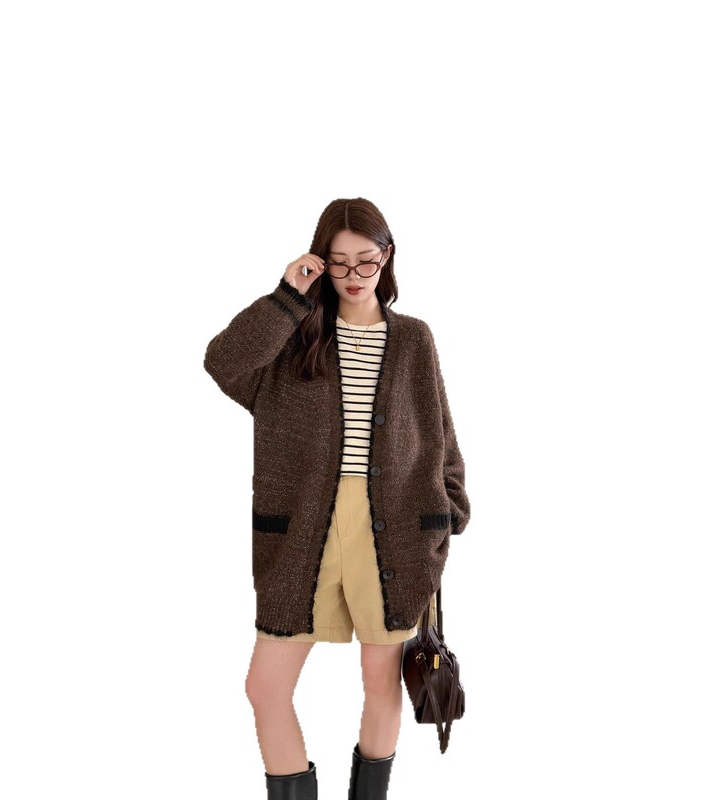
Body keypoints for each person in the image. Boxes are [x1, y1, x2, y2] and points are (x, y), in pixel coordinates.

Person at [203, 197, 471, 800]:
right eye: (339, 262)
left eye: (366, 261)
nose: (354, 276)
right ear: (320, 262)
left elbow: (440, 431)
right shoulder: (293, 337)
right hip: (305, 526)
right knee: (265, 686)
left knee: (381, 683)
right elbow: (222, 362)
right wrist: (287, 298)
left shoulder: (413, 339)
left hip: (395, 527)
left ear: (387, 257)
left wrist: (450, 509)